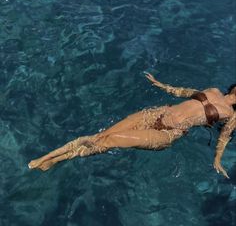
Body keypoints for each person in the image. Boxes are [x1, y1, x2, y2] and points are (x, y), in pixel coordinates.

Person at [28, 73, 236, 178]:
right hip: (159, 113)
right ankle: (49, 159)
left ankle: (59, 158)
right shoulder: (214, 90)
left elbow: (225, 135)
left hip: (170, 133)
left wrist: (217, 158)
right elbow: (186, 92)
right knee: (101, 136)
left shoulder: (231, 115)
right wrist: (161, 85)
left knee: (112, 140)